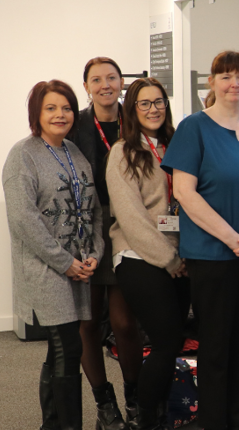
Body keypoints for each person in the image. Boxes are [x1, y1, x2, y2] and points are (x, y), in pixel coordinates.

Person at [161, 50, 239, 430]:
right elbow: (184, 192)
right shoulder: (194, 128)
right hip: (213, 254)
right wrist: (233, 238)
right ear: (211, 83)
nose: (235, 83)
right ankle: (213, 422)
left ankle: (238, 418)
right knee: (214, 345)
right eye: (226, 76)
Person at [4, 80, 104, 430]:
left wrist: (95, 252)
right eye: (51, 108)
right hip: (46, 269)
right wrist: (64, 262)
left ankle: (52, 423)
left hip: (78, 265)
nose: (60, 115)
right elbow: (23, 219)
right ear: (37, 113)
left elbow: (92, 210)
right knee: (68, 349)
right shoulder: (23, 154)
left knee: (59, 350)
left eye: (65, 108)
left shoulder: (74, 152)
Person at [65, 56, 142, 429]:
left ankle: (134, 398)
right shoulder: (75, 125)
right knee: (88, 321)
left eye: (112, 78)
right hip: (85, 231)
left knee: (126, 323)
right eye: (97, 79)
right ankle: (104, 402)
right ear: (86, 86)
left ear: (122, 82)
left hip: (129, 228)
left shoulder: (137, 118)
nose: (105, 85)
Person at [107, 77, 189, 430]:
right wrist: (168, 259)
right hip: (139, 255)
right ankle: (144, 419)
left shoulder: (178, 147)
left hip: (182, 257)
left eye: (159, 102)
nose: (154, 109)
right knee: (167, 339)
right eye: (145, 103)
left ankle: (158, 413)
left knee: (174, 342)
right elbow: (132, 218)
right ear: (132, 109)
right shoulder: (123, 152)